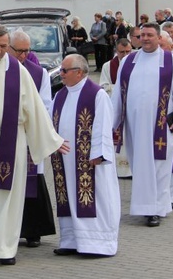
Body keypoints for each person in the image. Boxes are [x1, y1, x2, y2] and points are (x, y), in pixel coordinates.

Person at [0, 24, 68, 265]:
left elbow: (35, 108)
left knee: (10, 195)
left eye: (4, 46)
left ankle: (5, 249)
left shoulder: (18, 70)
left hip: (12, 141)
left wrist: (52, 139)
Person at [110, 23, 173, 227]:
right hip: (135, 126)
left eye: (150, 35)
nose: (145, 38)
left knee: (160, 168)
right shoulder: (129, 61)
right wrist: (113, 123)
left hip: (161, 126)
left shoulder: (170, 61)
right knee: (140, 166)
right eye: (142, 35)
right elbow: (118, 95)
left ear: (158, 38)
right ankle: (145, 207)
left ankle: (155, 209)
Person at [50, 54, 120, 256]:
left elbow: (104, 125)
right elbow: (49, 122)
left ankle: (97, 244)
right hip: (65, 159)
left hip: (90, 161)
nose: (61, 74)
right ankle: (71, 241)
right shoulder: (60, 96)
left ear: (79, 72)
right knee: (69, 196)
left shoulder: (97, 95)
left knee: (94, 198)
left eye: (64, 71)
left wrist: (99, 153)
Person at [9, 30, 56, 248]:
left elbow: (45, 105)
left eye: (27, 51)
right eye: (19, 51)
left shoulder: (40, 74)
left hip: (28, 135)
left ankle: (33, 230)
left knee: (31, 181)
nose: (23, 56)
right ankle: (7, 229)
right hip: (5, 136)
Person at [99, 38, 133, 179]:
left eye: (128, 51)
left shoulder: (136, 63)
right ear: (116, 51)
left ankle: (131, 169)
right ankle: (118, 169)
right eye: (121, 52)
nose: (125, 55)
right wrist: (117, 89)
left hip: (131, 107)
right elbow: (103, 86)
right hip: (116, 107)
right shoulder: (108, 66)